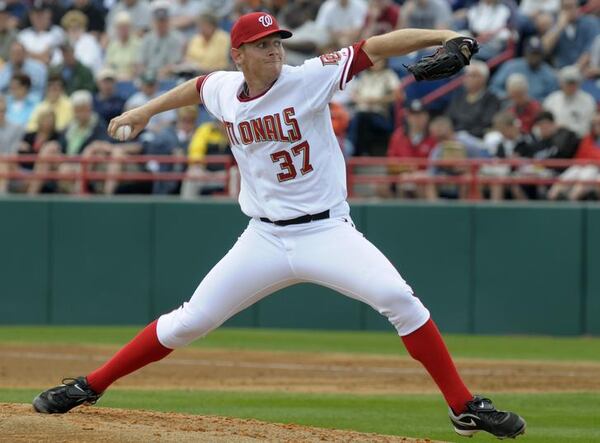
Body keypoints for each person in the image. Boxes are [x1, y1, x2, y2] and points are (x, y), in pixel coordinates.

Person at [32, 12, 526, 440]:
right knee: (190, 320)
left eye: (277, 43)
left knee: (400, 300)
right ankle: (89, 385)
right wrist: (143, 110)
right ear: (239, 54)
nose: (275, 51)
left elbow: (373, 46)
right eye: (264, 45)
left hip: (327, 232)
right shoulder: (226, 88)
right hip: (263, 237)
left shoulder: (307, 78)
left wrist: (445, 33)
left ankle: (463, 407)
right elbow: (199, 86)